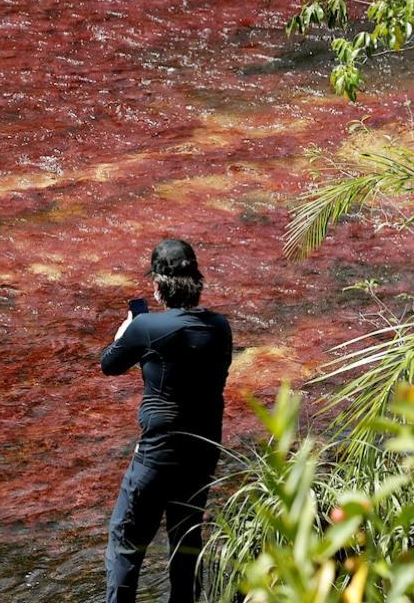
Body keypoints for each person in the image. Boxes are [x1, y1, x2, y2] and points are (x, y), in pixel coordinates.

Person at [100, 239, 232, 603]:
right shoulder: (220, 327)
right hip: (203, 453)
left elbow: (109, 364)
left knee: (125, 543)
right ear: (196, 279)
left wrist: (125, 333)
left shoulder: (146, 328)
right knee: (186, 542)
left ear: (158, 285)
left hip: (158, 454)